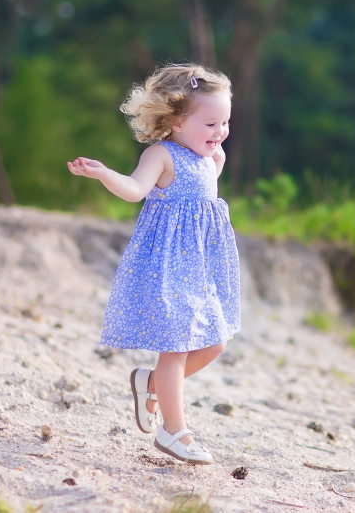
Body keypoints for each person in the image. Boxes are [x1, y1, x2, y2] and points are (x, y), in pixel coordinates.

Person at [67, 63, 240, 465]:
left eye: (226, 122)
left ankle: (149, 384)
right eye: (211, 123)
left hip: (199, 270)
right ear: (176, 121)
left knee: (216, 342)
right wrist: (106, 173)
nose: (220, 132)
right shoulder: (162, 155)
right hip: (166, 267)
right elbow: (134, 190)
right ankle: (173, 431)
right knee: (175, 349)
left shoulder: (214, 159)